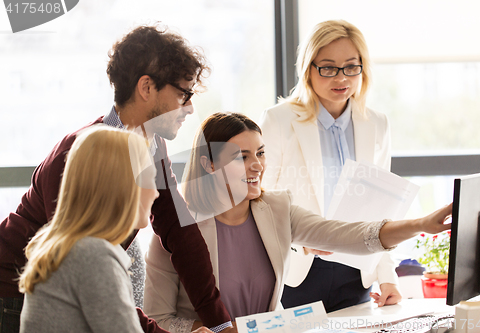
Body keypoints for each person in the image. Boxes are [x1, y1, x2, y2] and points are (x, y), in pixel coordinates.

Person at [0, 25, 233, 333]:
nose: (190, 107)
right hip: (13, 293)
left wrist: (221, 325)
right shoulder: (82, 154)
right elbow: (90, 275)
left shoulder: (150, 145)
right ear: (146, 88)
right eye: (182, 94)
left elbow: (181, 231)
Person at [143, 112, 452, 333]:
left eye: (261, 154)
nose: (257, 166)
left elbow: (349, 235)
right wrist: (200, 330)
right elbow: (159, 318)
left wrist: (421, 223)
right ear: (208, 164)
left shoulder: (277, 207)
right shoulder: (175, 231)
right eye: (241, 157)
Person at [260, 19, 402, 312]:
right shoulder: (278, 121)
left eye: (351, 66)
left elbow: (382, 207)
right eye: (328, 67)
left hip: (357, 271)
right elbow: (260, 202)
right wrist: (300, 243)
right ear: (308, 69)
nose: (342, 78)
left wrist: (387, 276)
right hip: (299, 271)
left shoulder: (377, 124)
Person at [18, 127, 157, 332]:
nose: (155, 193)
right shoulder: (93, 256)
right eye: (148, 179)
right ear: (121, 187)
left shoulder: (72, 246)